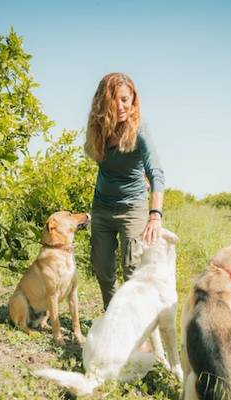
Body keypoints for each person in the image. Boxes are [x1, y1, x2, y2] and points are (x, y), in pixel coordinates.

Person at [84, 72, 166, 310]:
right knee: (103, 269)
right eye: (115, 100)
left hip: (133, 209)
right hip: (101, 208)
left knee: (133, 271)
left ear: (133, 100)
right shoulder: (98, 129)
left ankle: (136, 328)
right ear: (103, 102)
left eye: (126, 99)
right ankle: (113, 318)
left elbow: (156, 172)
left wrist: (155, 215)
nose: (121, 106)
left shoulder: (139, 129)